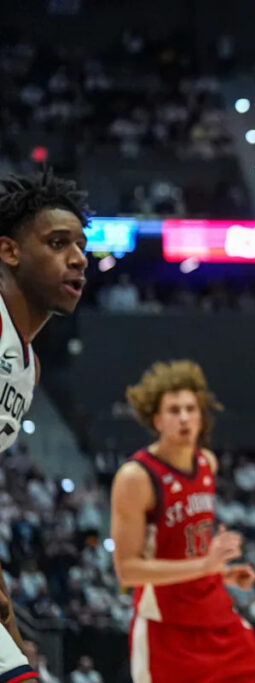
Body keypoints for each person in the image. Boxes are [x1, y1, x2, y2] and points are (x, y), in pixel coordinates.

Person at [109, 360, 255, 682]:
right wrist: (206, 566)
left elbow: (185, 550)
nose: (184, 417)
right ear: (156, 419)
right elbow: (127, 570)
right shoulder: (136, 477)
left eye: (190, 408)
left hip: (217, 617)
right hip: (167, 630)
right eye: (174, 410)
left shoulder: (206, 463)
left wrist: (222, 574)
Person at [0, 169, 89, 682]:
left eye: (80, 245)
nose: (78, 258)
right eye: (58, 243)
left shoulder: (26, 368)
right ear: (9, 252)